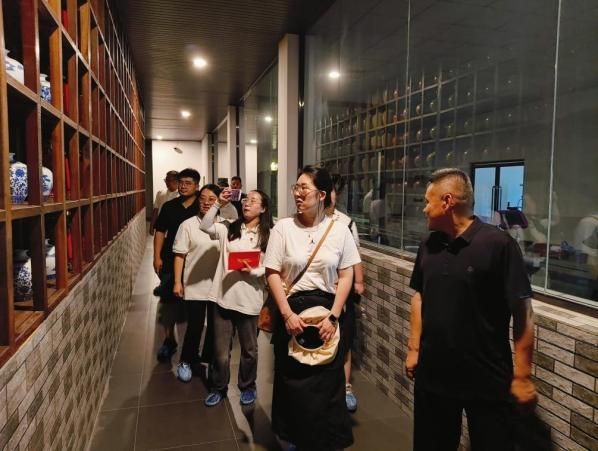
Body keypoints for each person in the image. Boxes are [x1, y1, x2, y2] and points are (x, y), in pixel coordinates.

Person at [405, 168, 537, 451]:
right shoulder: (428, 245)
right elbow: (419, 296)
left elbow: (523, 311)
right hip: (434, 374)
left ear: (447, 201)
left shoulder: (498, 245)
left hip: (487, 377)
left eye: (428, 201)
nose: (425, 208)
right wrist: (414, 348)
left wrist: (523, 376)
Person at [264, 165, 361, 451]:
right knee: (291, 377)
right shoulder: (283, 228)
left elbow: (346, 274)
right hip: (291, 312)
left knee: (327, 380)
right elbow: (272, 272)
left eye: (304, 188)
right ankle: (292, 437)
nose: (298, 193)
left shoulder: (340, 230)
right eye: (296, 187)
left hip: (327, 314)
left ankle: (324, 440)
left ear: (321, 194)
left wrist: (334, 316)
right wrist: (286, 314)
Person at [199, 187, 274, 407]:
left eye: (253, 200)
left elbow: (273, 265)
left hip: (250, 299)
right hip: (223, 297)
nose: (247, 203)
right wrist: (218, 204)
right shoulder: (229, 227)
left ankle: (247, 386)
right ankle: (218, 387)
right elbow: (204, 225)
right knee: (221, 351)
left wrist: (255, 271)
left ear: (263, 208)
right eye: (246, 199)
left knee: (249, 350)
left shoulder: (269, 235)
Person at [171, 184, 224, 382]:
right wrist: (177, 282)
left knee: (215, 327)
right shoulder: (188, 225)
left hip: (218, 285)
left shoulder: (225, 225)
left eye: (211, 199)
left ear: (219, 201)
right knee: (195, 325)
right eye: (202, 198)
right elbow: (179, 255)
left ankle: (207, 360)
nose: (206, 203)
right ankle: (186, 360)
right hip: (194, 284)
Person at [153, 168, 202, 361]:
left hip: (196, 260)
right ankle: (169, 340)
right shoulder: (169, 206)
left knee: (195, 304)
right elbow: (160, 231)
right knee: (168, 302)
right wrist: (156, 256)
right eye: (181, 182)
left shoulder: (202, 205)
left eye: (188, 183)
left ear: (196, 185)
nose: (183, 186)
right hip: (170, 258)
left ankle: (192, 347)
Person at [329, 175, 364, 412]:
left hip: (342, 289)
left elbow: (355, 256)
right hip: (318, 291)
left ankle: (345, 387)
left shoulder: (346, 222)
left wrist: (359, 281)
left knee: (344, 340)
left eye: (331, 190)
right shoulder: (303, 221)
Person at [150, 170, 179, 235]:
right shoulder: (160, 193)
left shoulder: (180, 195)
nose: (167, 183)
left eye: (169, 180)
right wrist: (152, 226)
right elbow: (156, 210)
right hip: (161, 226)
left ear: (176, 181)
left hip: (175, 229)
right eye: (166, 180)